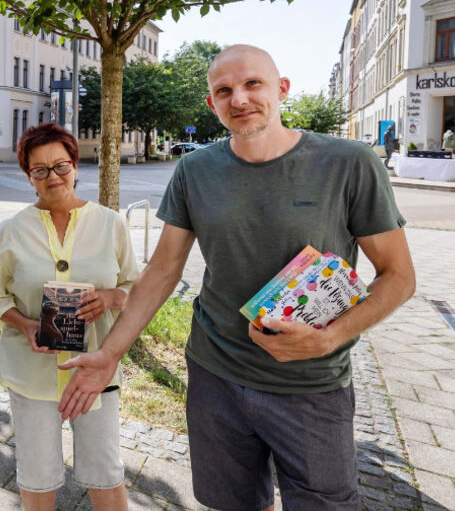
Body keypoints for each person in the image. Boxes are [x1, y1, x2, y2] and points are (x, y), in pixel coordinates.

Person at [58, 44, 415, 510]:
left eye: (252, 84)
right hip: (215, 375)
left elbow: (399, 277)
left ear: (282, 89)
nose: (239, 99)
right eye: (224, 91)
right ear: (212, 104)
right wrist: (109, 353)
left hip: (310, 385)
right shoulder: (194, 169)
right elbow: (164, 269)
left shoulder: (348, 163)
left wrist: (330, 339)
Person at [0, 123, 137, 511]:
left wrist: (111, 297)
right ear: (29, 176)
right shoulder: (11, 231)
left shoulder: (110, 223)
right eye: (40, 170)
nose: (53, 177)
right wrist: (25, 323)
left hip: (95, 373)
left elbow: (137, 289)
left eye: (61, 165)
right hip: (32, 375)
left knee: (105, 472)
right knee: (36, 475)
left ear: (76, 166)